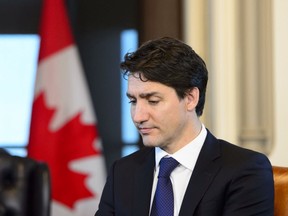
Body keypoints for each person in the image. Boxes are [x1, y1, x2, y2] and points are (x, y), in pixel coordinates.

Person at [95, 37, 274, 216]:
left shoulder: (245, 169)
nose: (138, 116)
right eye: (133, 101)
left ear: (190, 98)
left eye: (153, 101)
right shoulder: (123, 172)